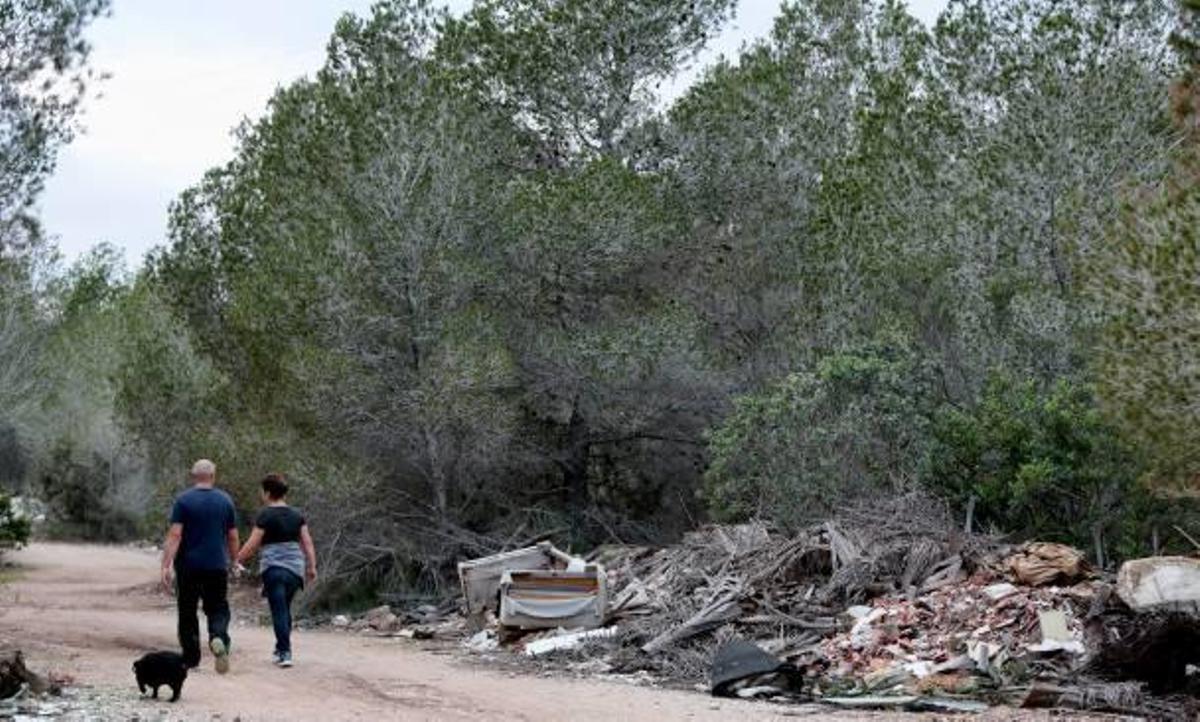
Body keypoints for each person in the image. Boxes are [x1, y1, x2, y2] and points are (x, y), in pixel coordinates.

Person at [161, 459, 239, 674]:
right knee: (218, 608)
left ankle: (191, 658)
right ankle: (217, 637)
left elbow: (176, 534)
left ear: (193, 476)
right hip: (216, 565)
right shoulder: (225, 501)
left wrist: (166, 565)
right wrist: (235, 561)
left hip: (188, 567)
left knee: (187, 611)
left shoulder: (183, 500)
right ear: (213, 476)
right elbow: (232, 536)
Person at [236, 473, 317, 668]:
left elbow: (253, 544)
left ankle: (285, 651)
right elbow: (307, 543)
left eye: (262, 491)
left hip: (273, 568)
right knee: (285, 609)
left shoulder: (265, 515)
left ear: (267, 492)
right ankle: (280, 648)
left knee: (278, 610)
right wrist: (311, 566)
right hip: (294, 569)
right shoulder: (297, 515)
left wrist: (236, 558)